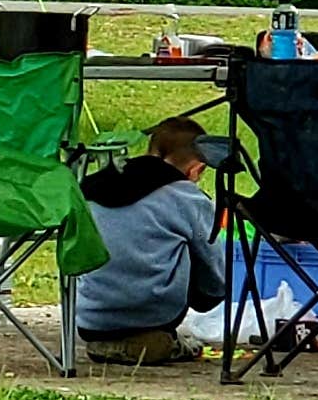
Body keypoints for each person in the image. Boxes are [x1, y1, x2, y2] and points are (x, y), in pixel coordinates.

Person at [76, 117, 225, 362]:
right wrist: (208, 298)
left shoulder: (90, 187)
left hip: (91, 317)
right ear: (196, 168)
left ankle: (108, 344)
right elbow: (214, 272)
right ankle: (166, 344)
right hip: (155, 314)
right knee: (192, 244)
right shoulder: (187, 197)